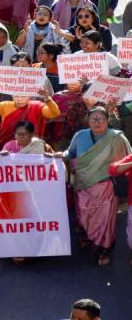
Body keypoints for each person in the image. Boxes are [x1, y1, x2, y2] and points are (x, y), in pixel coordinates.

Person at [69, 107, 131, 266]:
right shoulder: (80, 136)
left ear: (107, 120)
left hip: (106, 186)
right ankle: (88, 240)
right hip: (83, 185)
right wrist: (57, 155)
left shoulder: (116, 137)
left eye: (101, 119)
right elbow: (70, 154)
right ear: (87, 120)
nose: (97, 122)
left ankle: (104, 250)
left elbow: (127, 158)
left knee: (105, 220)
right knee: (85, 217)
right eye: (93, 119)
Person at [0, 84, 60, 148]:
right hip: (7, 145)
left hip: (31, 145)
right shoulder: (5, 105)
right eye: (16, 96)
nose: (19, 99)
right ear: (12, 96)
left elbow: (54, 113)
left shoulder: (36, 106)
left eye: (23, 96)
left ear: (29, 96)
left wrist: (47, 98)